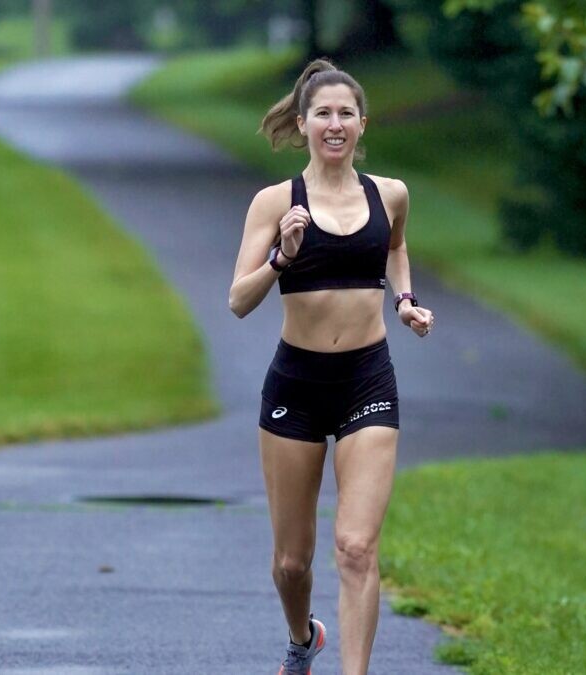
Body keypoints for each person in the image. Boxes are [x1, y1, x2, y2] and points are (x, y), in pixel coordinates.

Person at [228, 57, 435, 675]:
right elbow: (238, 301)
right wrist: (282, 257)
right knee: (292, 563)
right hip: (296, 384)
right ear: (303, 123)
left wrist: (404, 300)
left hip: (367, 378)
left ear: (362, 123)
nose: (335, 124)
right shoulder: (275, 202)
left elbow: (395, 245)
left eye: (347, 113)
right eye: (323, 113)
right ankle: (303, 640)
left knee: (356, 547)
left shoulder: (389, 194)